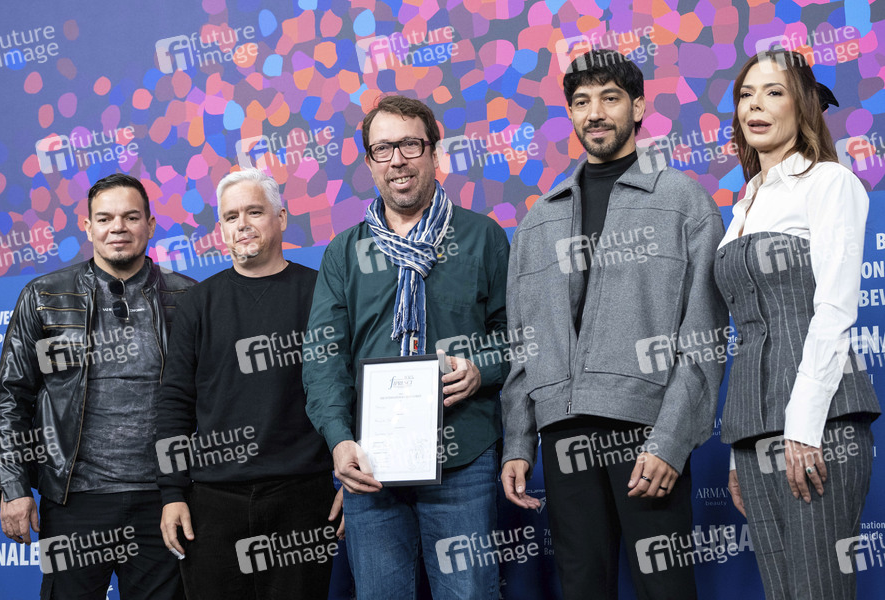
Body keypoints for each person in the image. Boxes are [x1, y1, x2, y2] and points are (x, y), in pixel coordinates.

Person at [500, 49, 728, 600]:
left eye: (610, 98)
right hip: (562, 433)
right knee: (582, 588)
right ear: (571, 114)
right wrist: (518, 441)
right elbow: (522, 344)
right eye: (582, 102)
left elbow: (703, 338)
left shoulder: (683, 202)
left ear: (638, 107)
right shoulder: (539, 219)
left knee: (666, 590)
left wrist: (670, 440)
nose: (595, 113)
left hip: (645, 431)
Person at [302, 95, 510, 599]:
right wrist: (339, 441)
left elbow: (518, 337)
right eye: (383, 149)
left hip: (462, 457)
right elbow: (324, 358)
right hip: (371, 464)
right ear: (370, 162)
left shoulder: (482, 237)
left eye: (410, 145)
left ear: (434, 153)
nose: (397, 159)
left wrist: (480, 367)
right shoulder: (345, 252)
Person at [717, 49, 880, 600]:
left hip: (821, 425)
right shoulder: (744, 204)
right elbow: (750, 329)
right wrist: (741, 448)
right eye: (746, 95)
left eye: (773, 92)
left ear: (803, 105)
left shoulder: (829, 182)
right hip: (753, 433)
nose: (755, 106)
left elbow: (834, 310)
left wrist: (803, 428)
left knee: (818, 590)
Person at [0, 173, 193, 600]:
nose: (117, 227)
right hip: (74, 500)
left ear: (150, 225)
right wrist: (13, 487)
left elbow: (209, 398)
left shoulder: (188, 297)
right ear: (87, 227)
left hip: (163, 500)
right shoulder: (43, 296)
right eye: (104, 218)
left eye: (130, 217)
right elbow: (12, 398)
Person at [156, 168, 337, 600]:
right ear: (221, 228)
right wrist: (171, 493)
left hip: (302, 496)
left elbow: (345, 390)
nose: (242, 224)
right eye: (231, 216)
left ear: (281, 217)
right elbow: (175, 402)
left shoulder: (321, 293)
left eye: (254, 211)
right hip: (212, 503)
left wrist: (353, 483)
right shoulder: (198, 302)